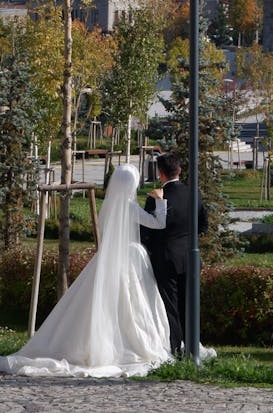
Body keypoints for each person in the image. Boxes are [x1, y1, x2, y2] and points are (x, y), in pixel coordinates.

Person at [0, 163, 171, 378]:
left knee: (95, 303)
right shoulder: (130, 207)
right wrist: (160, 201)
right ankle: (126, 343)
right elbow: (159, 223)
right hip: (128, 260)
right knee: (130, 305)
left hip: (106, 260)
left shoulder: (107, 207)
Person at [140, 151, 207, 357]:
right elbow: (203, 225)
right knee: (189, 303)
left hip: (165, 258)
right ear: (179, 170)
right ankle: (192, 347)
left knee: (171, 306)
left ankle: (176, 349)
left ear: (160, 173)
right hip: (189, 256)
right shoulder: (194, 193)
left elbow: (147, 232)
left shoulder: (157, 198)